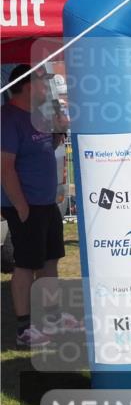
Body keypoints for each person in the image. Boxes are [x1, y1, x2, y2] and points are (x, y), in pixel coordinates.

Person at [1, 65, 82, 347]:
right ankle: (24, 328)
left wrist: (55, 109)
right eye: (42, 83)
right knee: (25, 265)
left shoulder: (40, 114)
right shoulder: (8, 118)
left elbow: (62, 130)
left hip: (46, 203)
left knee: (49, 262)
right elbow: (6, 168)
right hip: (25, 205)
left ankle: (53, 318)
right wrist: (21, 207)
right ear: (26, 85)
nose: (47, 88)